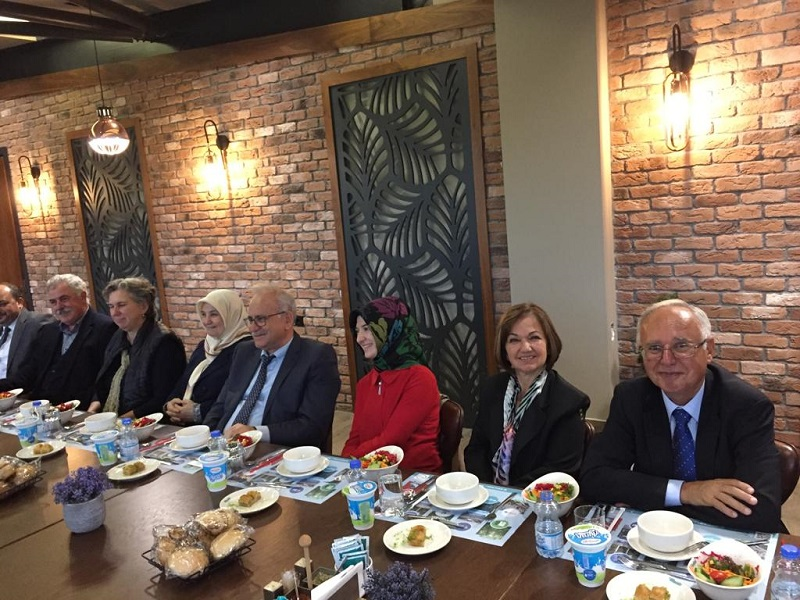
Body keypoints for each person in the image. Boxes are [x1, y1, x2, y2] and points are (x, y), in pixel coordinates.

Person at [581, 299, 784, 533]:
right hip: (656, 537)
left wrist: (646, 499)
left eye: (681, 346)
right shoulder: (631, 397)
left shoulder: (746, 406)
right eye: (654, 348)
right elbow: (594, 479)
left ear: (709, 349)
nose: (667, 360)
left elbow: (761, 510)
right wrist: (687, 492)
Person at [464, 303, 590, 488]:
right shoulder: (492, 388)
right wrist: (487, 491)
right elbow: (476, 448)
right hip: (488, 495)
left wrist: (508, 496)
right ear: (505, 350)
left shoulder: (569, 403)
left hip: (535, 499)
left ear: (549, 344)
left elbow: (559, 472)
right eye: (514, 340)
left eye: (534, 338)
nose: (525, 347)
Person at [203, 285, 341, 448]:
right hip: (222, 447)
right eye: (250, 320)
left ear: (287, 320)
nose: (253, 328)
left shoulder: (316, 357)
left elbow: (312, 427)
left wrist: (255, 433)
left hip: (270, 450)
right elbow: (221, 406)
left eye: (260, 319)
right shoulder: (244, 351)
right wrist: (206, 439)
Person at [341, 297, 441, 472]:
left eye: (367, 329)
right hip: (369, 472)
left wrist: (350, 462)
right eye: (357, 331)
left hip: (412, 476)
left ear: (391, 330)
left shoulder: (420, 378)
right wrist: (343, 463)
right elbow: (355, 437)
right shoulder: (366, 383)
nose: (359, 338)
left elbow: (392, 439)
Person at [0, 274, 116, 408]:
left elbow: (107, 380)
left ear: (83, 297)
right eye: (53, 302)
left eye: (64, 299)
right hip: (41, 408)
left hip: (80, 410)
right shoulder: (48, 331)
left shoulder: (105, 328)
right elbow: (26, 376)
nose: (58, 307)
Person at [89, 277, 186, 418]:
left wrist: (121, 420)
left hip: (151, 423)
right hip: (115, 418)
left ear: (143, 306)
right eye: (111, 306)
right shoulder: (118, 336)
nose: (114, 312)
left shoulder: (165, 341)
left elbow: (163, 398)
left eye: (121, 305)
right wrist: (92, 411)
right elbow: (105, 383)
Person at [164, 289, 250, 425]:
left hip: (217, 428)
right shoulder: (203, 346)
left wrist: (198, 412)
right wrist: (171, 406)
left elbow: (237, 398)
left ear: (231, 314)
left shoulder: (246, 349)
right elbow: (183, 383)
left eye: (214, 314)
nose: (206, 321)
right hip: (185, 427)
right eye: (203, 314)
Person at [0, 282, 52, 382]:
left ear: (19, 302)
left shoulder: (39, 324)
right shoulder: (2, 329)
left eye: (2, 304)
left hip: (22, 389)